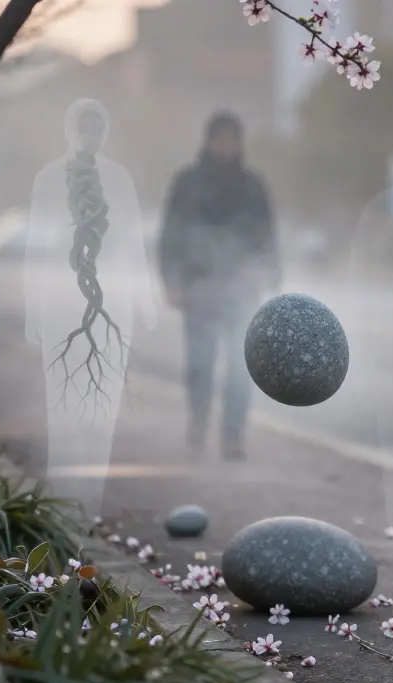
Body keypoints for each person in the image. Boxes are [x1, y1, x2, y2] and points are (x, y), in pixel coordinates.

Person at [157, 111, 280, 461]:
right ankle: (198, 422)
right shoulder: (187, 183)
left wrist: (272, 276)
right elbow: (170, 236)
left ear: (239, 143)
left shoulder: (253, 185)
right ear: (208, 141)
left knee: (242, 369)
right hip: (198, 288)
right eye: (220, 138)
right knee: (200, 364)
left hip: (242, 289)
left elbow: (267, 234)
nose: (226, 145)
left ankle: (233, 436)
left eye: (232, 138)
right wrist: (171, 282)